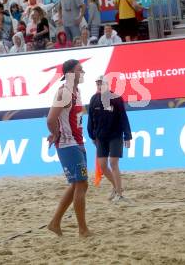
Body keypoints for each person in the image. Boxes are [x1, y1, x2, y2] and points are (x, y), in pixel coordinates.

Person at [46, 59, 91, 238]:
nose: (83, 72)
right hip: (68, 143)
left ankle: (55, 222)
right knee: (81, 184)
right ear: (71, 73)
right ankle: (82, 229)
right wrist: (56, 134)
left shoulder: (76, 90)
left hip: (77, 142)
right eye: (80, 69)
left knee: (77, 185)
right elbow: (50, 119)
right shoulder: (64, 92)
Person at [87, 75, 132, 202]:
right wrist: (91, 135)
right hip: (100, 137)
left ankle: (119, 194)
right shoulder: (94, 99)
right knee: (102, 166)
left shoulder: (116, 98)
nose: (100, 86)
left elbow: (123, 117)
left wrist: (127, 136)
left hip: (115, 135)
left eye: (102, 84)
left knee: (113, 162)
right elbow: (91, 119)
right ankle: (116, 187)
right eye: (98, 84)